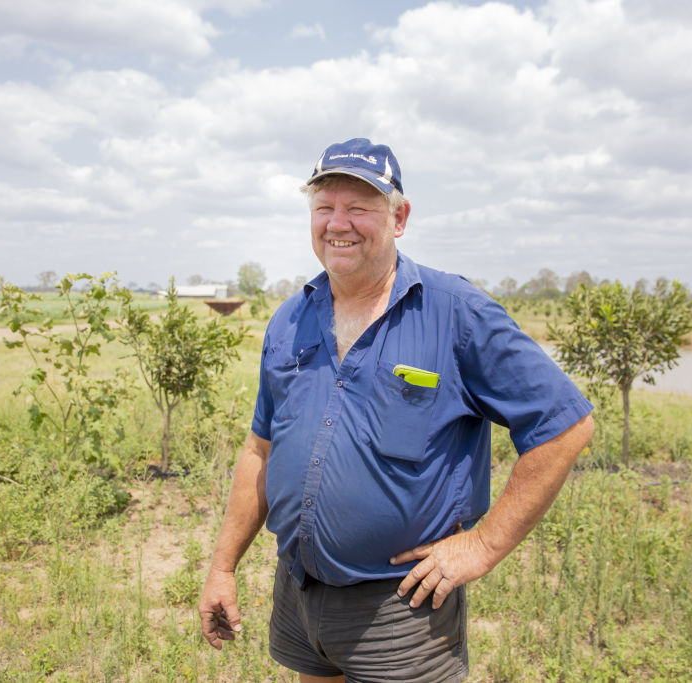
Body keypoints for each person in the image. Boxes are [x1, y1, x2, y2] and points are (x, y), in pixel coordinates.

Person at [198, 138, 594, 682]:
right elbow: (259, 449)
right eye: (324, 207)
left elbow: (564, 425)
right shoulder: (290, 319)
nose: (339, 223)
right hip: (298, 589)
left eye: (359, 207)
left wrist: (482, 545)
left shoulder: (457, 313)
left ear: (399, 216)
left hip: (400, 610)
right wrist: (222, 567)